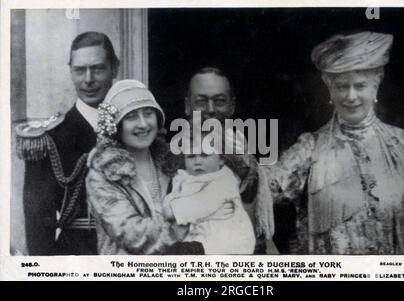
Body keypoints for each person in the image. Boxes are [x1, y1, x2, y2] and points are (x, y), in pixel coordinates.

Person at [268, 31, 404, 254]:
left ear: (375, 87)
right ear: (330, 89)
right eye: (341, 86)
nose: (350, 96)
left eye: (359, 86)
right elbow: (265, 190)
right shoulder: (310, 148)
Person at [15, 32, 119, 255]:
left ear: (115, 68)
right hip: (77, 255)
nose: (88, 79)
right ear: (71, 71)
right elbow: (38, 224)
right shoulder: (49, 138)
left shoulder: (134, 128)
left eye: (98, 68)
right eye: (80, 70)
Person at [85, 79, 185, 255]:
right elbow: (133, 235)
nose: (143, 124)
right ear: (116, 126)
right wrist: (186, 223)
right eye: (131, 117)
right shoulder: (102, 174)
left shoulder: (173, 163)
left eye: (148, 114)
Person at [184, 67, 275, 254]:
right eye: (201, 101)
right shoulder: (173, 157)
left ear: (232, 106)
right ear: (187, 105)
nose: (210, 110)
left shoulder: (247, 160)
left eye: (219, 101)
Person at [162, 123, 256, 255]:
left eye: (204, 155)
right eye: (191, 156)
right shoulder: (184, 178)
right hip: (200, 239)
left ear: (221, 159)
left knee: (181, 253)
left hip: (229, 242)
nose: (197, 161)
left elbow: (201, 203)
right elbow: (169, 200)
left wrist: (171, 211)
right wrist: (168, 208)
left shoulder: (224, 180)